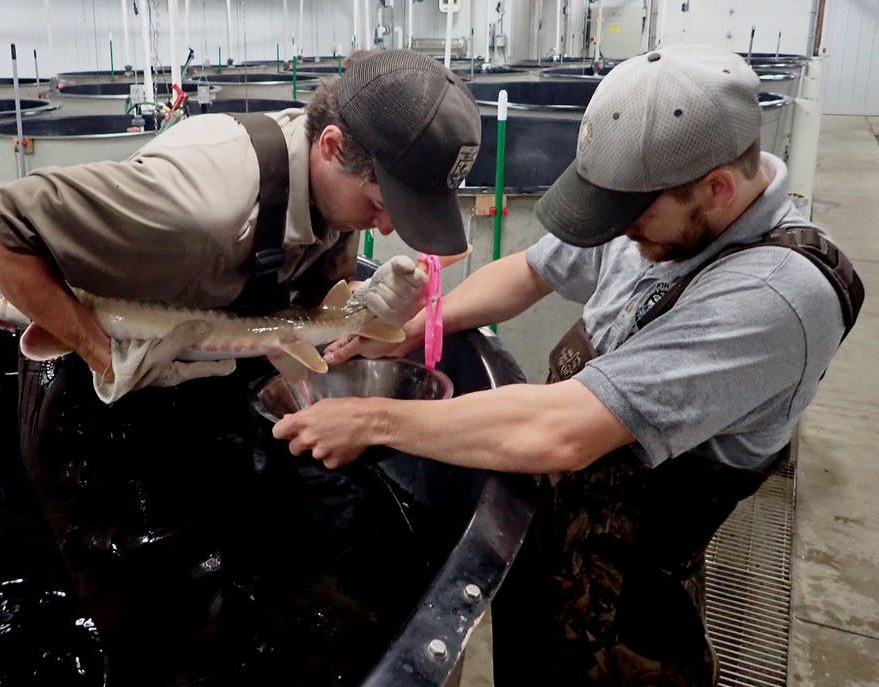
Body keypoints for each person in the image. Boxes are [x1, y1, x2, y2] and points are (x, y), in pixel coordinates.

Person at [273, 44, 864, 686]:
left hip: (632, 624)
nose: (619, 233)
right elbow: (532, 270)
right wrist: (412, 332)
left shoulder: (776, 296)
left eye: (630, 219)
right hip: (553, 564)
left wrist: (371, 420)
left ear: (717, 189)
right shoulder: (659, 207)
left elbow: (566, 431)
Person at [0, 49, 481, 685]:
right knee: (164, 633)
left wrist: (361, 320)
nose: (389, 226)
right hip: (93, 386)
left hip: (199, 367)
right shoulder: (200, 205)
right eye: (383, 203)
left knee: (246, 559)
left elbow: (298, 317)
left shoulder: (331, 186)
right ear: (333, 145)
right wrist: (100, 353)